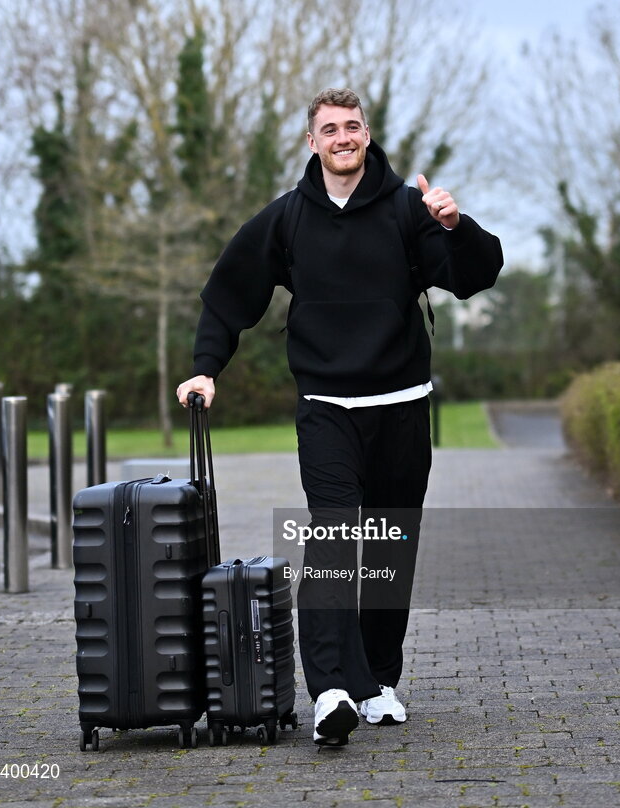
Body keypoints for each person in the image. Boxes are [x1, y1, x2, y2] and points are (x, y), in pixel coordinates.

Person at [177, 87, 503, 747]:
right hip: (326, 408)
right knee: (331, 542)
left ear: (366, 134)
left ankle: (377, 681)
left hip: (402, 409)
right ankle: (328, 689)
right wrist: (206, 367)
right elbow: (229, 293)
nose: (341, 137)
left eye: (351, 126)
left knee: (385, 550)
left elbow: (475, 275)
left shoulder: (410, 209)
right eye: (329, 129)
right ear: (311, 142)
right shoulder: (286, 219)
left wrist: (454, 225)